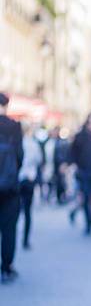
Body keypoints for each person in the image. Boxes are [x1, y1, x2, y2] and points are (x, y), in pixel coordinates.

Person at [0, 92, 24, 283]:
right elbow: (19, 156)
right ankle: (6, 267)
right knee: (9, 228)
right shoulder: (14, 127)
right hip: (9, 187)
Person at [18, 123, 43, 249]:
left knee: (15, 211)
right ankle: (25, 240)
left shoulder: (18, 143)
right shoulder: (34, 144)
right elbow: (38, 160)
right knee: (27, 211)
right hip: (29, 179)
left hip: (19, 179)